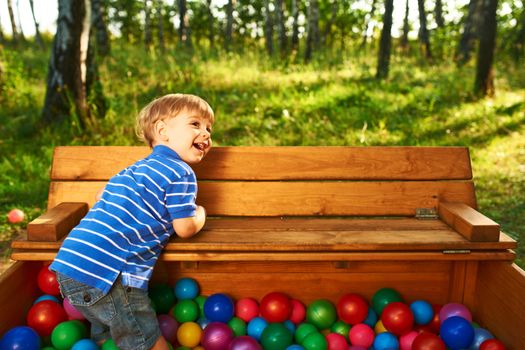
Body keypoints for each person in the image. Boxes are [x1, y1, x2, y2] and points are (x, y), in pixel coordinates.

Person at [49, 93, 214, 350]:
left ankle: (103, 340)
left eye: (208, 129)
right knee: (145, 341)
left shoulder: (132, 170)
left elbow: (100, 196)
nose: (205, 134)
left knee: (108, 331)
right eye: (195, 124)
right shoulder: (181, 172)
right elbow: (185, 227)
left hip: (69, 265)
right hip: (111, 274)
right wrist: (200, 213)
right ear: (162, 130)